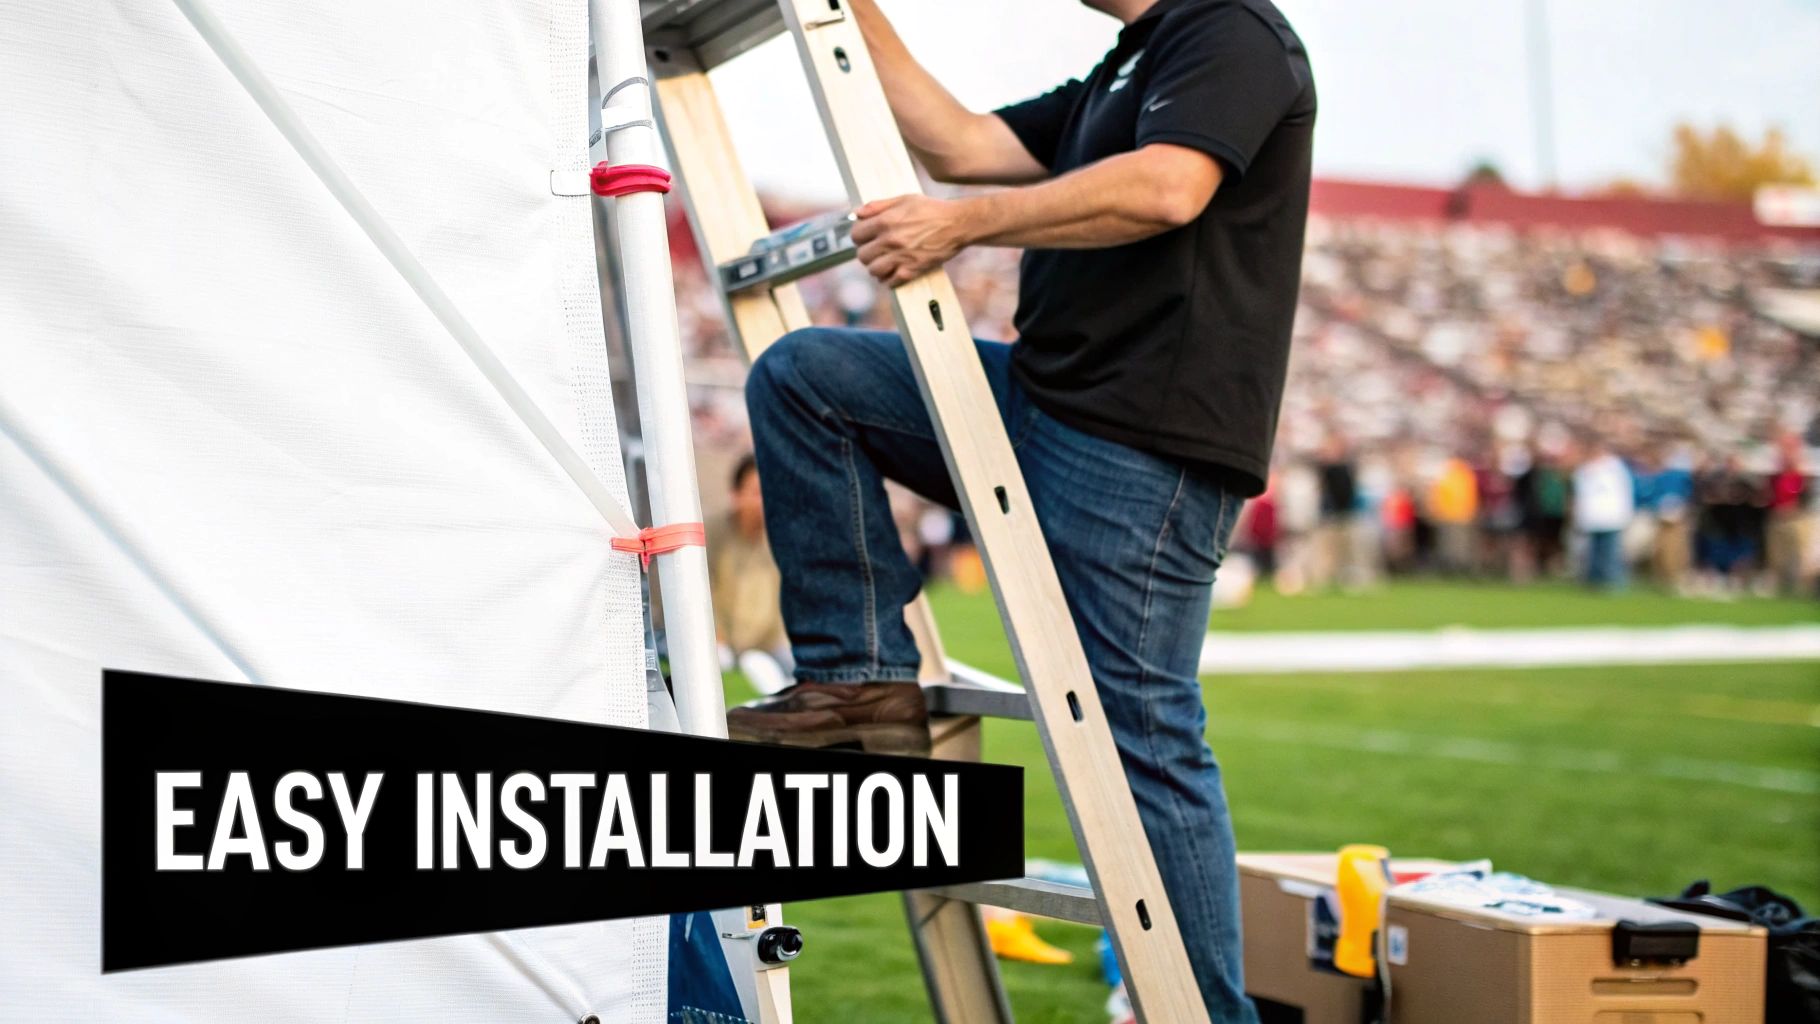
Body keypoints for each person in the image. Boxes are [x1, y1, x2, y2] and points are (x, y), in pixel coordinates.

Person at [729, 1, 1315, 1019]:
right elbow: (954, 141)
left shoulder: (1231, 32)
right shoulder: (1121, 69)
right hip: (1039, 399)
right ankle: (861, 682)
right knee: (806, 377)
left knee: (1142, 739)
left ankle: (1207, 1014)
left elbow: (1171, 188)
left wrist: (957, 226)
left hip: (1143, 441)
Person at [707, 456, 793, 695]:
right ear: (736, 495)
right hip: (717, 643)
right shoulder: (712, 534)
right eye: (757, 493)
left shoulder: (781, 541)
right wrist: (716, 637)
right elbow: (702, 593)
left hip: (766, 646)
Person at [1572, 441, 1635, 590]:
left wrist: (1625, 514)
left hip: (1611, 516)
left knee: (1610, 550)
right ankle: (1595, 580)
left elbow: (1624, 493)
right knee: (1593, 550)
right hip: (1592, 517)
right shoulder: (1584, 469)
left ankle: (1612, 580)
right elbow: (1580, 495)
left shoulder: (1615, 468)